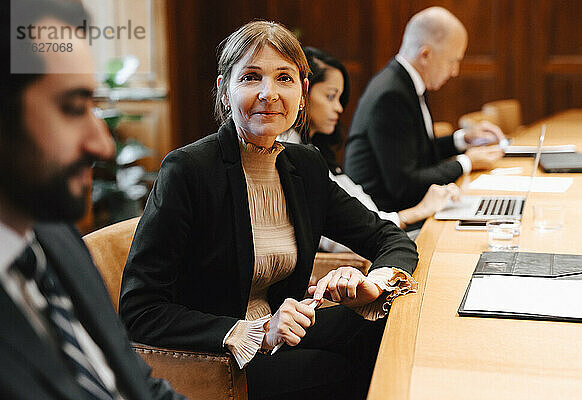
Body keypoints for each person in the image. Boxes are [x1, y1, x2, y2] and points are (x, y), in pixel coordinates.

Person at [119, 21, 419, 400]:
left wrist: (370, 284)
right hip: (220, 358)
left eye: (284, 78)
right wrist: (258, 333)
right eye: (250, 77)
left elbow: (388, 237)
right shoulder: (189, 170)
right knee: (347, 372)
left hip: (287, 333)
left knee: (390, 333)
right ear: (225, 92)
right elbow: (139, 309)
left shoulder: (304, 165)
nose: (269, 93)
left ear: (303, 93)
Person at [0, 1, 185, 399]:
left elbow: (140, 387)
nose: (103, 144)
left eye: (94, 106)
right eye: (72, 108)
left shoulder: (54, 236)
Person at [279, 46, 460, 246]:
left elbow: (361, 211)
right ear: (302, 93)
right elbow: (340, 235)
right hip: (359, 256)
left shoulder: (315, 148)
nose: (339, 108)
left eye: (339, 98)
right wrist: (417, 212)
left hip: (380, 235)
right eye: (330, 96)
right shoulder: (291, 151)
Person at [344, 6, 506, 213]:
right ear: (426, 54)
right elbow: (405, 185)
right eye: (452, 61)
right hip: (389, 220)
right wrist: (467, 162)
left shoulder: (403, 82)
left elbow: (418, 151)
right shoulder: (391, 95)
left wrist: (464, 139)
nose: (455, 71)